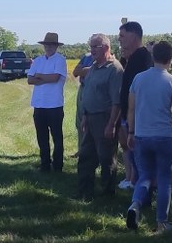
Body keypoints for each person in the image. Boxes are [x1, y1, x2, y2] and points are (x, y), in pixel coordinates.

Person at [124, 40, 172, 233]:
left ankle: (135, 204)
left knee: (144, 175)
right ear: (171, 59)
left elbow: (131, 109)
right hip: (165, 136)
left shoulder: (138, 79)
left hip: (141, 135)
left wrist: (131, 131)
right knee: (164, 178)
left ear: (153, 56)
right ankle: (162, 221)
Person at [75, 33, 123, 200]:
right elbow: (89, 92)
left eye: (96, 46)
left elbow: (117, 101)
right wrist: (85, 116)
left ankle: (107, 194)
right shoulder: (94, 66)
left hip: (105, 118)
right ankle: (84, 192)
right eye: (91, 46)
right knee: (86, 156)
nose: (92, 50)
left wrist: (112, 124)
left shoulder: (115, 69)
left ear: (107, 48)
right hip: (90, 117)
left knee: (106, 158)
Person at [115, 21, 152, 191]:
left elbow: (142, 90)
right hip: (127, 113)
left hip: (137, 115)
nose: (119, 39)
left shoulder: (143, 57)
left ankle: (140, 186)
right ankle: (133, 181)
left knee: (137, 151)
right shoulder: (129, 58)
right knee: (129, 148)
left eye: (122, 35)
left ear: (134, 36)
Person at [26, 31, 69, 172]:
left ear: (56, 46)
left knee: (57, 137)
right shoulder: (38, 60)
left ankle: (58, 165)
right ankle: (44, 164)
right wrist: (44, 78)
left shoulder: (60, 60)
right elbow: (30, 80)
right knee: (42, 137)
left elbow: (55, 78)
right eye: (46, 45)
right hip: (39, 104)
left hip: (54, 104)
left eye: (51, 45)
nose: (48, 47)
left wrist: (39, 76)